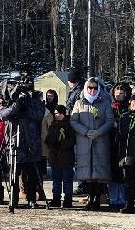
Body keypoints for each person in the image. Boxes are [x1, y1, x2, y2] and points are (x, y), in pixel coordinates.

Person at [68, 78, 113, 211]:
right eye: (90, 87)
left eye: (94, 88)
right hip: (84, 141)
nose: (92, 90)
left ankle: (97, 199)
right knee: (87, 173)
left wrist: (99, 132)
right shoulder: (78, 103)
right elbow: (73, 120)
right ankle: (89, 198)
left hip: (100, 140)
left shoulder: (104, 103)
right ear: (86, 88)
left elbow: (110, 120)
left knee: (98, 173)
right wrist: (86, 132)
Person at [0, 84, 47, 207]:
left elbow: (39, 115)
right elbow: (3, 115)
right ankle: (13, 199)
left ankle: (32, 199)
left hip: (31, 142)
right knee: (14, 173)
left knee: (32, 175)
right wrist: (17, 105)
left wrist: (27, 106)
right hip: (15, 143)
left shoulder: (35, 99)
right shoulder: (10, 100)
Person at [44, 104, 75, 210]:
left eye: (58, 113)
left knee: (67, 180)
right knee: (56, 180)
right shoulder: (53, 125)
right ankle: (56, 199)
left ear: (63, 114)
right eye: (55, 113)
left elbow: (72, 140)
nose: (56, 115)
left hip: (66, 157)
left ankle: (68, 200)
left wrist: (62, 144)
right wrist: (50, 143)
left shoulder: (69, 125)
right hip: (55, 157)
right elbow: (48, 138)